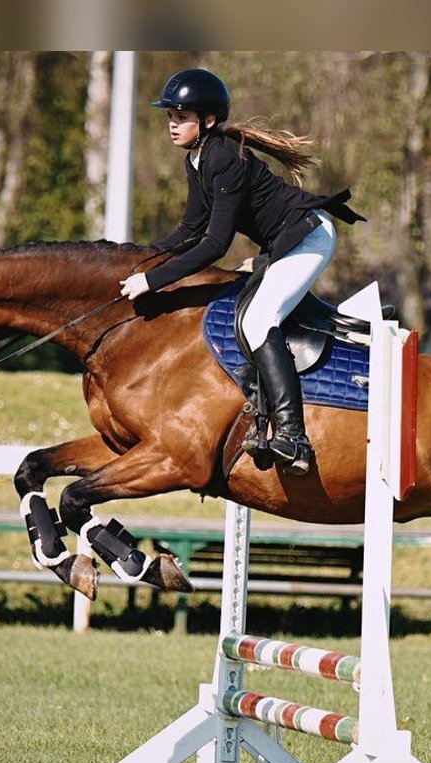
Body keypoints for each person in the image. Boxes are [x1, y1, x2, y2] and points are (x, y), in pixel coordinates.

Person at [119, 68, 365, 476]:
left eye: (181, 116)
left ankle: (292, 435)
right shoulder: (197, 159)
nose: (172, 124)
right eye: (170, 116)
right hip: (283, 243)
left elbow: (215, 245)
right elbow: (190, 229)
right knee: (245, 315)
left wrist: (154, 281)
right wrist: (143, 261)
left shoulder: (223, 157)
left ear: (208, 120)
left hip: (309, 238)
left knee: (257, 321)